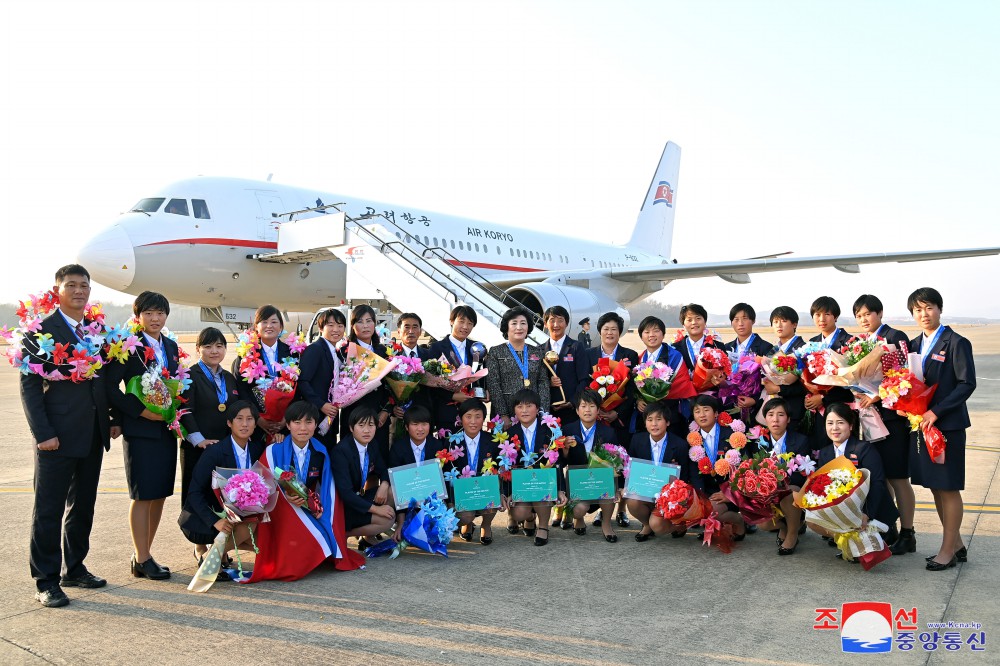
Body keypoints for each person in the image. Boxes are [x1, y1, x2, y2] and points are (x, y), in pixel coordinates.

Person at [20, 264, 114, 607]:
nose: (79, 290)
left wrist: (110, 419)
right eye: (71, 285)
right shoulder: (41, 330)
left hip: (91, 435)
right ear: (58, 290)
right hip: (55, 437)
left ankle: (74, 567)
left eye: (84, 285)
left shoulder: (96, 330)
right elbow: (30, 386)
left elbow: (102, 380)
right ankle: (45, 579)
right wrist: (43, 433)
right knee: (48, 509)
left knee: (82, 506)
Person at [105, 291, 182, 581]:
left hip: (164, 429)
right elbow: (112, 387)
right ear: (138, 316)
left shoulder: (171, 346)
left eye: (160, 313)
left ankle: (145, 555)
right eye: (148, 313)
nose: (155, 318)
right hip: (140, 429)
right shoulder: (128, 346)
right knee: (142, 495)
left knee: (160, 493)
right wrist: (139, 412)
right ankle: (142, 556)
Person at [249, 401, 365, 581]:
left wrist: (316, 504)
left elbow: (327, 487)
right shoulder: (274, 450)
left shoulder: (320, 452)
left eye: (309, 422)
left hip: (307, 506)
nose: (303, 428)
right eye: (297, 422)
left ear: (316, 424)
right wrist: (285, 497)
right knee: (307, 546)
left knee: (325, 542)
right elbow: (262, 487)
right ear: (287, 425)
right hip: (281, 510)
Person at [906, 288, 975, 571]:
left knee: (948, 488)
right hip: (921, 424)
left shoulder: (956, 342)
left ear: (940, 309)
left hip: (947, 426)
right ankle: (956, 544)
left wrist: (937, 411)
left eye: (929, 308)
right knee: (935, 486)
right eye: (918, 310)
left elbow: (966, 384)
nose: (924, 314)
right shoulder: (912, 344)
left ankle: (946, 551)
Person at [852, 294, 917, 556]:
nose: (864, 319)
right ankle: (888, 525)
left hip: (892, 419)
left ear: (879, 313)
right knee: (879, 476)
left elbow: (904, 375)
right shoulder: (860, 344)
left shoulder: (893, 336)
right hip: (869, 419)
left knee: (898, 477)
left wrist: (876, 394)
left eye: (868, 314)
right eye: (859, 316)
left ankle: (908, 533)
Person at [178, 401, 264, 568]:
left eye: (249, 419)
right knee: (250, 525)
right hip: (211, 518)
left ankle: (217, 553)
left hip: (242, 517)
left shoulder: (257, 449)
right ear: (229, 423)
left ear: (255, 423)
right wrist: (214, 521)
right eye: (239, 419)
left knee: (267, 546)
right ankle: (211, 557)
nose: (245, 424)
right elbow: (194, 492)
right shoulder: (214, 452)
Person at [812, 403, 899, 563]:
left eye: (840, 422)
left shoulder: (864, 449)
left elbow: (878, 484)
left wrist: (867, 514)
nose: (834, 428)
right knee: (811, 518)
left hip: (871, 512)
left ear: (851, 425)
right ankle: (846, 539)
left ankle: (879, 536)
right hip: (846, 512)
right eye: (830, 423)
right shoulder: (825, 453)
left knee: (868, 556)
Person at [179, 327, 244, 507]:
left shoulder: (229, 378)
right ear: (198, 349)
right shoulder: (189, 375)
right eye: (208, 346)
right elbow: (185, 409)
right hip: (198, 448)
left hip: (224, 448)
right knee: (197, 495)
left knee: (223, 497)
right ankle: (197, 535)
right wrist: (198, 439)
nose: (214, 351)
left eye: (219, 346)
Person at [586, 311, 639, 528]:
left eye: (614, 329)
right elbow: (583, 384)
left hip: (620, 420)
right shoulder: (588, 354)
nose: (609, 333)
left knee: (623, 463)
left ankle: (622, 510)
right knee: (601, 462)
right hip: (597, 419)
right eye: (606, 329)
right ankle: (602, 509)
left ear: (620, 332)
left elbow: (634, 390)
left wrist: (618, 412)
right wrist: (595, 409)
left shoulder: (630, 355)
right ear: (600, 331)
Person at [502, 389, 568, 546]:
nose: (524, 410)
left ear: (537, 408)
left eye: (529, 406)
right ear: (514, 410)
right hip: (521, 487)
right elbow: (506, 467)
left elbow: (556, 462)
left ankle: (543, 527)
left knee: (544, 494)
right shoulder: (510, 434)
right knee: (519, 513)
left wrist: (560, 489)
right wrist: (508, 493)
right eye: (519, 406)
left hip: (543, 485)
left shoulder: (550, 432)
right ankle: (530, 516)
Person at [691, 394, 756, 540]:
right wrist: (700, 497)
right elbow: (694, 473)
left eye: (706, 410)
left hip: (732, 490)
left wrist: (729, 493)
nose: (702, 415)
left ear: (715, 413)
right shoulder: (693, 440)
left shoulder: (733, 435)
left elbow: (745, 467)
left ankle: (739, 521)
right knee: (700, 509)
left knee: (712, 511)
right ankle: (712, 524)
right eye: (697, 411)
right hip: (708, 491)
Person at [625, 404, 694, 542]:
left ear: (667, 422)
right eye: (649, 419)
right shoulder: (637, 440)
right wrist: (626, 486)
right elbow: (631, 469)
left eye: (659, 419)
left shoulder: (679, 444)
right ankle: (646, 525)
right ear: (645, 423)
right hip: (646, 492)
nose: (654, 424)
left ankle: (679, 526)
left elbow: (685, 477)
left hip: (669, 498)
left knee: (658, 526)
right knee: (632, 501)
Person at [332, 407, 396, 549]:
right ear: (351, 427)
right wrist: (376, 509)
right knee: (387, 521)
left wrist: (384, 484)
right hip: (343, 506)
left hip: (359, 498)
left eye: (371, 425)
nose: (366, 430)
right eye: (361, 425)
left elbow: (383, 469)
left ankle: (368, 537)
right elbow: (345, 494)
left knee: (392, 491)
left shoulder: (372, 444)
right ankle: (344, 533)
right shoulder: (341, 451)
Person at [232, 305, 298, 442]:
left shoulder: (293, 354)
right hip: (255, 426)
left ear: (281, 326)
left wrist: (286, 418)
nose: (269, 326)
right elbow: (241, 390)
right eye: (264, 322)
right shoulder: (245, 355)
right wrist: (258, 418)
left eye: (274, 322)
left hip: (286, 425)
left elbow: (299, 389)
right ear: (256, 326)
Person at [756, 398, 811, 555]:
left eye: (780, 414)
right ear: (765, 418)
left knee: (791, 491)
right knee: (762, 524)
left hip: (790, 490)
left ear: (788, 419)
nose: (775, 419)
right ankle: (784, 526)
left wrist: (780, 485)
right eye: (771, 414)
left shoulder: (800, 441)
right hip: (767, 493)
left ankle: (792, 534)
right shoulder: (758, 442)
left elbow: (802, 476)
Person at [562, 389, 619, 539]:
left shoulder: (608, 433)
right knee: (578, 509)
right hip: (578, 484)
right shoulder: (567, 430)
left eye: (592, 406)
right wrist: (566, 450)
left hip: (600, 482)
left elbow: (615, 463)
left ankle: (606, 524)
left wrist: (618, 487)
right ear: (577, 410)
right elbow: (561, 462)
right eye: (583, 406)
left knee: (609, 490)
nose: (587, 410)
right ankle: (578, 519)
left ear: (598, 410)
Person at [340, 305, 392, 462]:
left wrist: (385, 412)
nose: (365, 326)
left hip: (378, 416)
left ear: (375, 324)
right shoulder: (344, 352)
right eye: (360, 321)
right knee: (352, 460)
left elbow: (391, 387)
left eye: (369, 321)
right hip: (353, 416)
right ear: (353, 326)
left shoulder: (384, 352)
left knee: (377, 462)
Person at [446, 399, 501, 545]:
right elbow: (445, 473)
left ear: (484, 418)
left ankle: (486, 525)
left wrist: (502, 492)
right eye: (468, 416)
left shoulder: (493, 441)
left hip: (485, 491)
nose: (473, 421)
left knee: (493, 497)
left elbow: (500, 471)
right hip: (462, 494)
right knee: (465, 516)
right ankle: (467, 523)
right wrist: (450, 502)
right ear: (460, 419)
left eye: (478, 416)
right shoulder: (451, 443)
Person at [485, 306, 551, 424]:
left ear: (528, 327)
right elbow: (493, 385)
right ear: (507, 327)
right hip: (507, 416)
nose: (519, 327)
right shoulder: (496, 352)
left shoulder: (537, 352)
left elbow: (543, 383)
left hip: (533, 414)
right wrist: (503, 415)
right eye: (514, 323)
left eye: (523, 323)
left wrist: (542, 412)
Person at [631, 315, 693, 439]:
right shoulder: (639, 358)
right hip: (647, 416)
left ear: (663, 334)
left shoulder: (675, 356)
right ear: (641, 336)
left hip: (670, 413)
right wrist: (638, 400)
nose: (651, 335)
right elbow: (634, 388)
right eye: (646, 332)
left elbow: (682, 384)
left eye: (656, 331)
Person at [387, 405, 447, 531]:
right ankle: (398, 523)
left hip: (430, 498)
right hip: (407, 498)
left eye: (424, 424)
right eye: (415, 424)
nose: (420, 429)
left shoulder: (437, 446)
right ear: (406, 427)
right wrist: (401, 522)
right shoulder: (398, 448)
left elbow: (441, 482)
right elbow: (398, 486)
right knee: (391, 491)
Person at [804, 297, 853, 447]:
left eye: (827, 314)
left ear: (836, 316)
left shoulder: (849, 342)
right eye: (817, 315)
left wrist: (823, 398)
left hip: (841, 409)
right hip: (818, 411)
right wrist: (810, 395)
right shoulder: (812, 343)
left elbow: (852, 383)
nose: (822, 319)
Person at [426, 305, 483, 431]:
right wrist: (451, 396)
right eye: (461, 321)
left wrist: (482, 391)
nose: (465, 327)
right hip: (446, 411)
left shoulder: (476, 348)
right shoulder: (437, 348)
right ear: (452, 321)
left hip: (471, 410)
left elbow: (481, 375)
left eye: (470, 323)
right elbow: (430, 382)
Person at [298, 308, 347, 448]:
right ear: (320, 328)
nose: (335, 329)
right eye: (330, 325)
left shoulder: (336, 352)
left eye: (340, 326)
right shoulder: (315, 349)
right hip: (316, 417)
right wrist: (321, 404)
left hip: (330, 419)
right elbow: (303, 381)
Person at [542, 305, 589, 425]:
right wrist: (549, 382)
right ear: (545, 324)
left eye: (560, 320)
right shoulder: (539, 350)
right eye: (552, 320)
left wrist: (573, 402)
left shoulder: (577, 347)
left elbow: (584, 379)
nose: (556, 325)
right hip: (546, 412)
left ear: (566, 323)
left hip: (571, 411)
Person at [762, 306, 807, 430]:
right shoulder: (772, 350)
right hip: (774, 412)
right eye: (775, 322)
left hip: (794, 412)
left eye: (784, 321)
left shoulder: (802, 350)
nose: (779, 325)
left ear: (794, 324)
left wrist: (778, 388)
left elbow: (807, 385)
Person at [724, 303, 773, 415]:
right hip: (730, 406)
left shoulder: (765, 347)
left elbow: (769, 380)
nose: (740, 323)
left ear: (753, 321)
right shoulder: (726, 348)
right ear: (732, 323)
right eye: (736, 319)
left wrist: (755, 400)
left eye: (745, 319)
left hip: (756, 408)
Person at [388, 312, 433, 423]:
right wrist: (392, 408)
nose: (411, 331)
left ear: (420, 332)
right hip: (399, 416)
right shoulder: (390, 356)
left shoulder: (430, 356)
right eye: (407, 327)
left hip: (424, 415)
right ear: (399, 332)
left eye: (415, 327)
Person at [672, 303, 726, 372]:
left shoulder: (718, 346)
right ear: (683, 325)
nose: (694, 322)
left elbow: (725, 374)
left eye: (698, 318)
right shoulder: (675, 348)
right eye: (689, 320)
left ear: (705, 322)